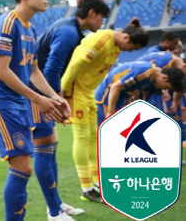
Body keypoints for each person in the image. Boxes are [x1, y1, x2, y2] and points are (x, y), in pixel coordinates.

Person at [0, 0, 71, 221]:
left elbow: (34, 71)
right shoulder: (7, 24)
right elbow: (2, 71)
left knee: (25, 166)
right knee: (22, 167)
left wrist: (54, 97)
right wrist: (39, 100)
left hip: (18, 101)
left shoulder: (30, 30)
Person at [29, 0, 110, 217]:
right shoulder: (68, 32)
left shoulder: (70, 29)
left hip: (41, 93)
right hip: (37, 95)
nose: (103, 22)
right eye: (102, 16)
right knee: (45, 150)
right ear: (92, 12)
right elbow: (52, 68)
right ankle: (53, 212)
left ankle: (56, 204)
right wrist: (55, 100)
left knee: (51, 147)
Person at [60, 18, 149, 202]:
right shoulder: (101, 40)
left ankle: (98, 184)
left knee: (93, 138)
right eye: (131, 47)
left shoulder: (116, 46)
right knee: (83, 137)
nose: (129, 51)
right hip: (76, 90)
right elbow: (75, 64)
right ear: (125, 37)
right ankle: (86, 188)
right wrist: (62, 93)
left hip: (88, 92)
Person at [95, 59, 185, 122]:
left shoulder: (150, 78)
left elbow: (128, 91)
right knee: (107, 131)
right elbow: (115, 87)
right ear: (165, 77)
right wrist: (110, 113)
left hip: (118, 98)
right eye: (167, 87)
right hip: (106, 96)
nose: (165, 89)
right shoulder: (145, 72)